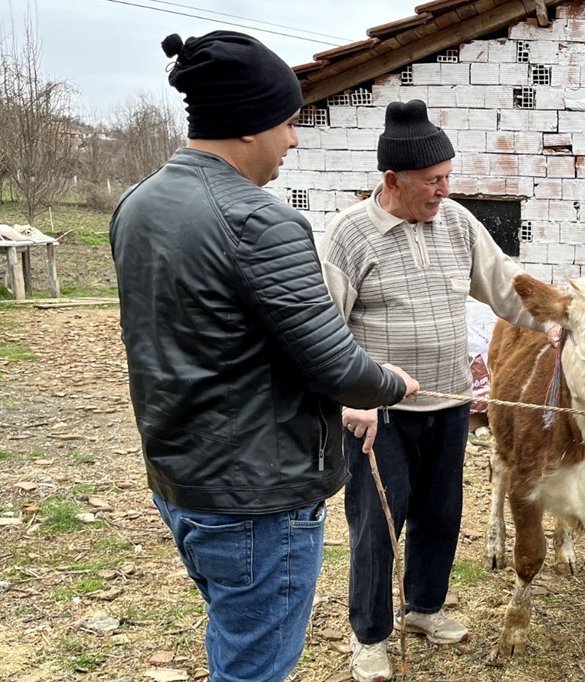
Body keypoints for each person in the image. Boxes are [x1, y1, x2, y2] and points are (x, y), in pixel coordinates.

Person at [110, 31, 419, 682]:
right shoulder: (259, 222)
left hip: (180, 483)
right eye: (289, 122)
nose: (294, 140)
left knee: (236, 638)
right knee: (256, 669)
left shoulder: (137, 206)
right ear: (249, 127)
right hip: (256, 502)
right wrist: (390, 383)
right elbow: (336, 365)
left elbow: (220, 346)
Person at [319, 99, 549, 682]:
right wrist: (352, 399)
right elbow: (323, 329)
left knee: (441, 515)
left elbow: (504, 285)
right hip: (382, 412)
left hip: (449, 404)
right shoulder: (348, 235)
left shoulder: (457, 223)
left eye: (448, 178)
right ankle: (369, 636)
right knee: (377, 524)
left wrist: (558, 322)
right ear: (393, 180)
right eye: (434, 181)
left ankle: (424, 607)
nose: (445, 190)